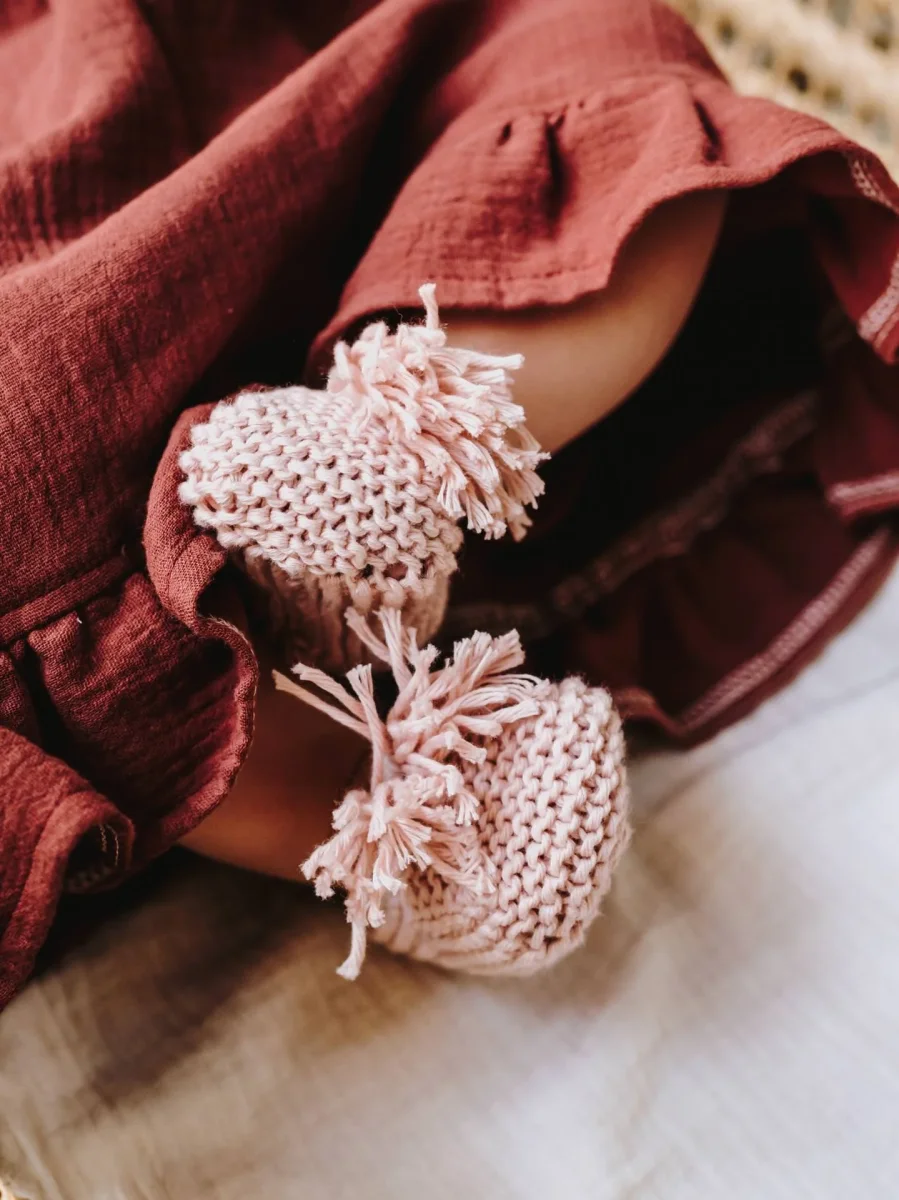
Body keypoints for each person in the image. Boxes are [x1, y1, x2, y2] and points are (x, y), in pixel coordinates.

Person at [2, 0, 899, 1002]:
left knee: (592, 45)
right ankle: (393, 813)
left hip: (277, 118)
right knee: (27, 460)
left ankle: (411, 441)